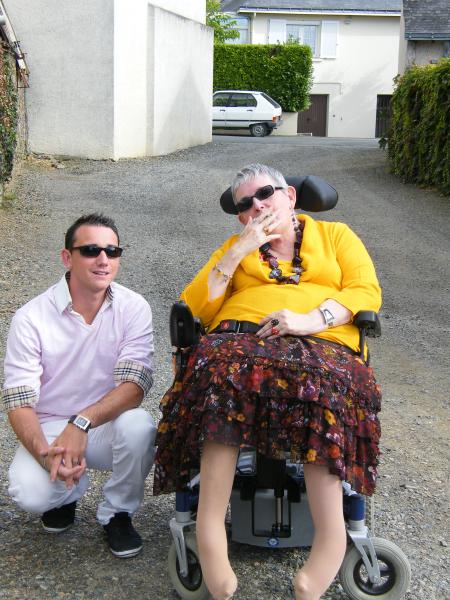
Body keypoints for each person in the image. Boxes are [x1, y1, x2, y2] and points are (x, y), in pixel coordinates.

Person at [154, 164, 382, 600]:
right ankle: (210, 539)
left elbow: (365, 292)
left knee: (324, 389)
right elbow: (194, 307)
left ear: (290, 196)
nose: (257, 206)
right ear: (241, 216)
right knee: (221, 378)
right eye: (245, 204)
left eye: (265, 194)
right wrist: (238, 251)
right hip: (240, 342)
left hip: (320, 342)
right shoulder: (235, 248)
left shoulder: (335, 236)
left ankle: (328, 546)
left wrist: (309, 320)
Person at [3, 213, 156, 558]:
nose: (103, 259)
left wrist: (81, 422)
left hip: (103, 424)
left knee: (140, 426)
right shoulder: (30, 318)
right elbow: (19, 401)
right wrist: (47, 458)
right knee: (30, 494)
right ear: (67, 257)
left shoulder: (134, 308)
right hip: (51, 427)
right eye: (90, 250)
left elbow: (134, 386)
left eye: (112, 251)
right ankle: (67, 492)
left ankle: (118, 512)